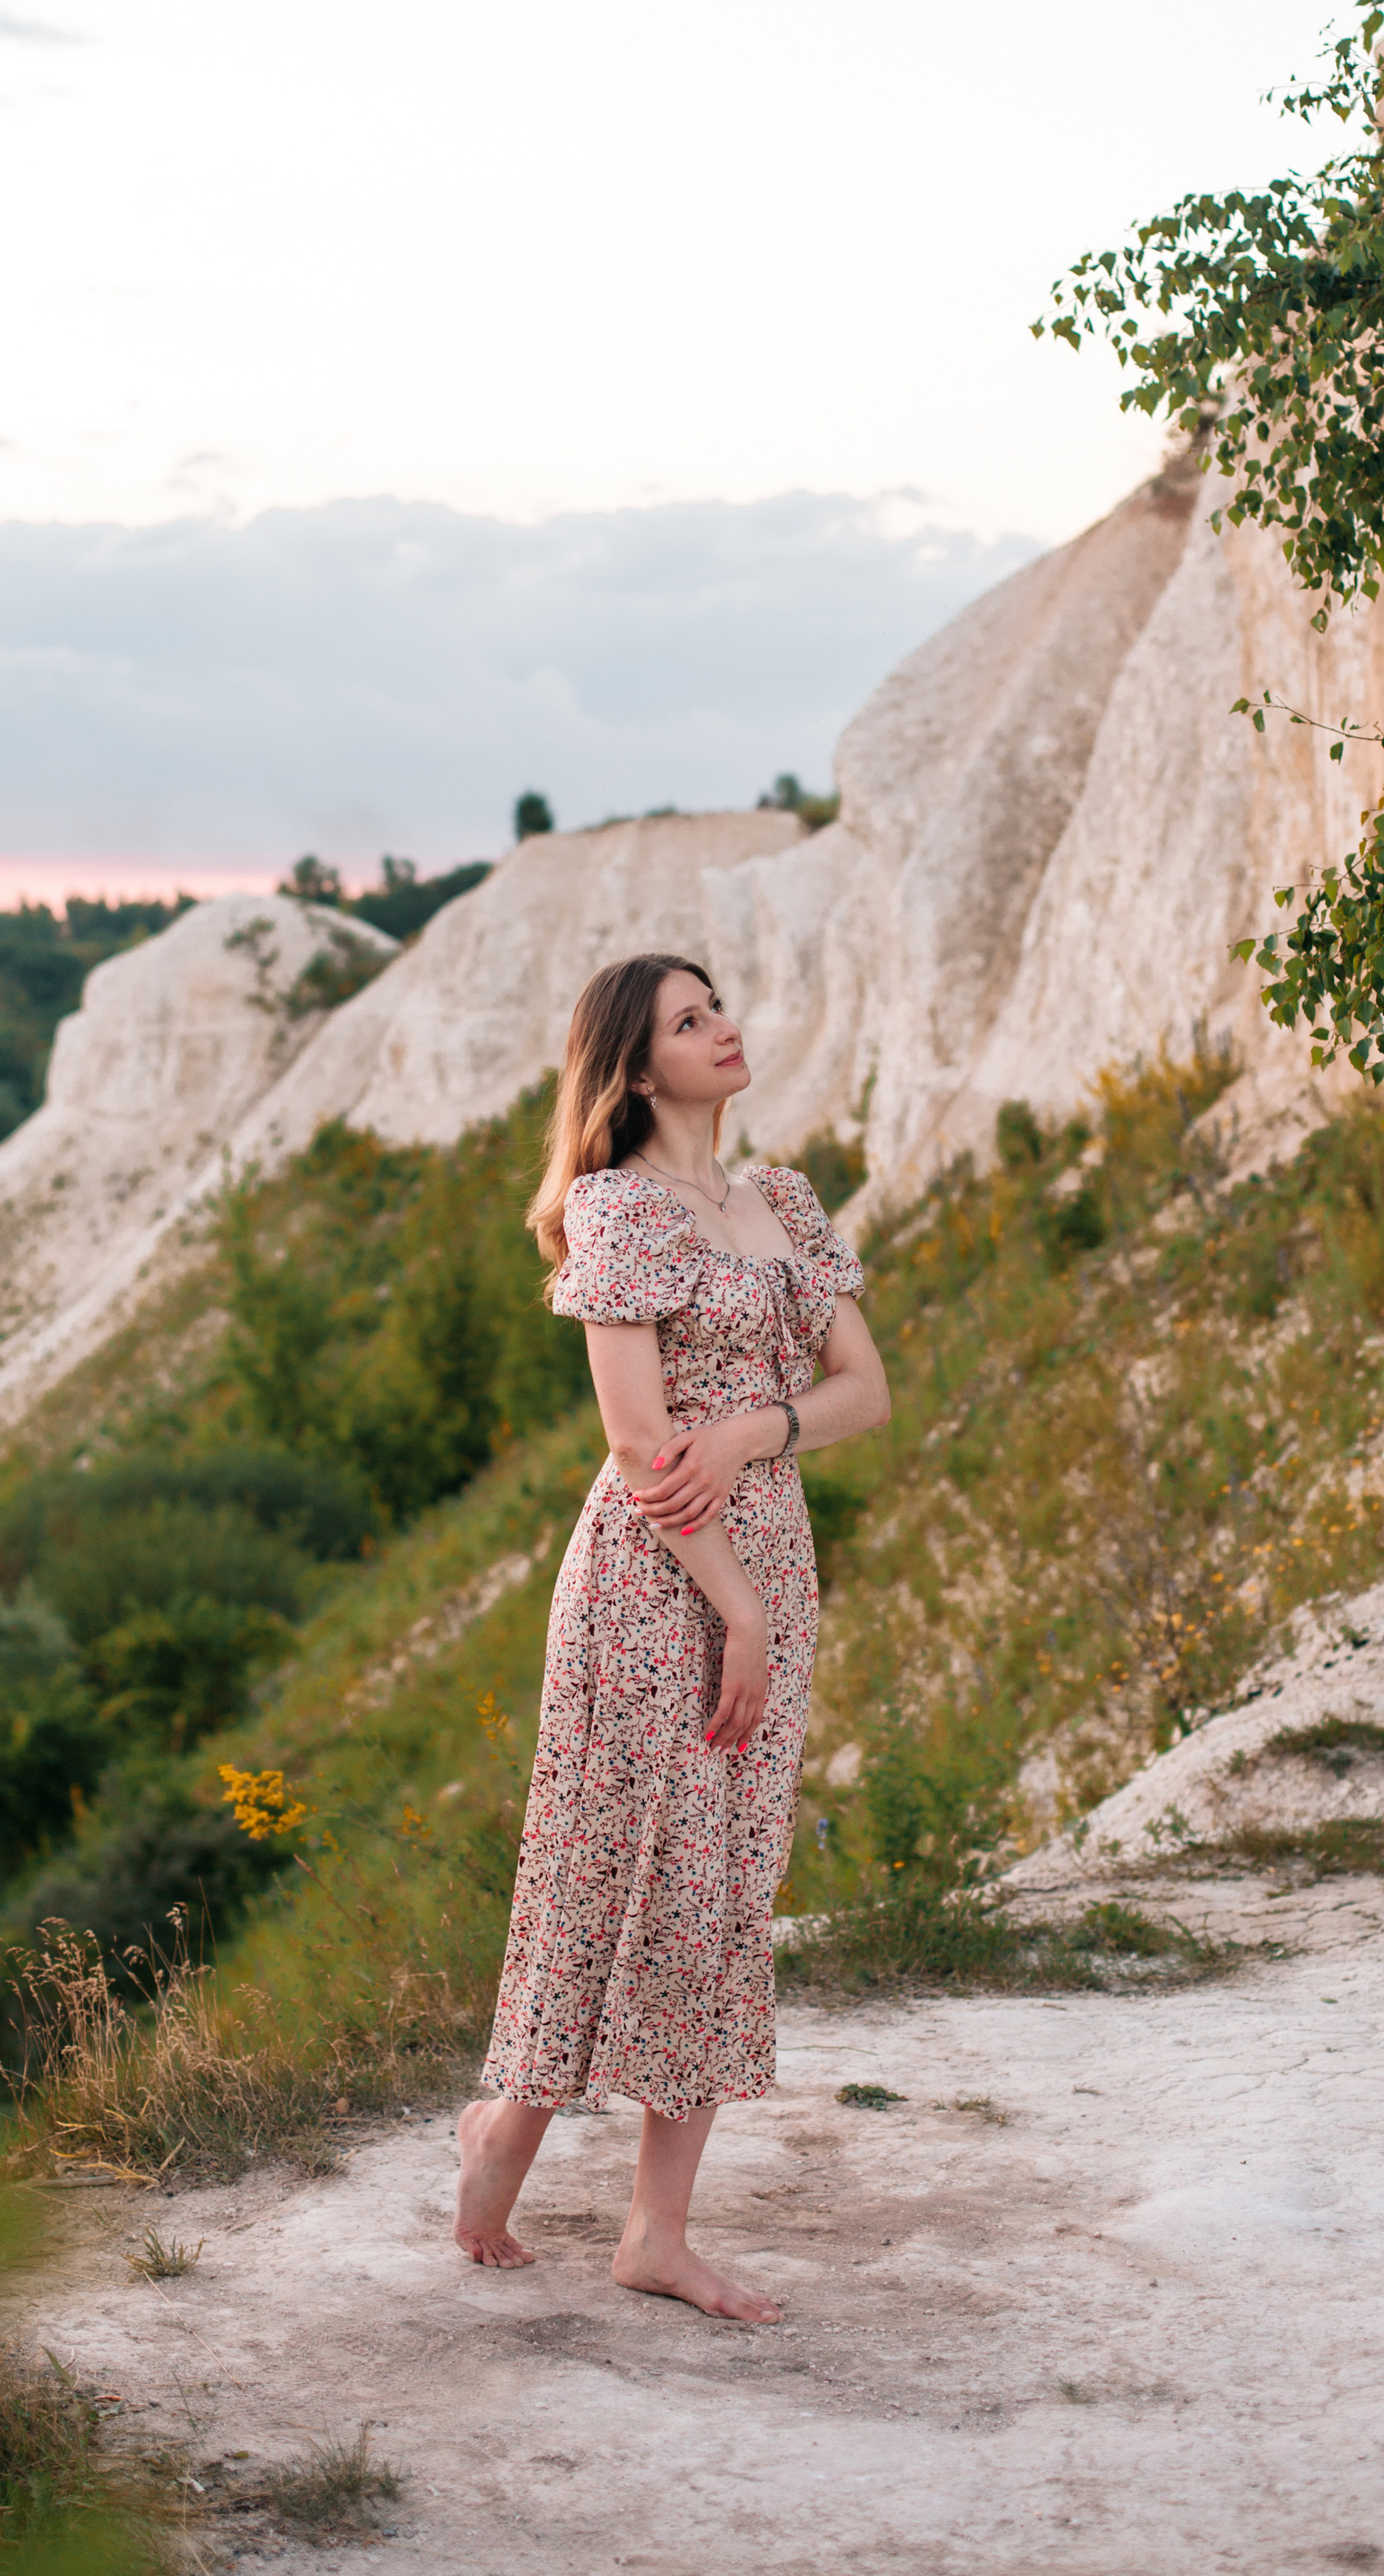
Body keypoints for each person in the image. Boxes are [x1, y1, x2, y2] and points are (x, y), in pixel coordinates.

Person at [453, 952, 890, 2323]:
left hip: (773, 1562)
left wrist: (760, 1428)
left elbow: (866, 1390)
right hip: (653, 1585)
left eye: (719, 1007)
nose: (723, 1029)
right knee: (606, 1869)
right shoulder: (618, 1209)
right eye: (688, 1022)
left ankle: (656, 2234)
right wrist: (734, 1605)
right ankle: (499, 2142)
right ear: (637, 1070)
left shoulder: (784, 1202)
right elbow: (640, 1440)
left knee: (721, 1891)